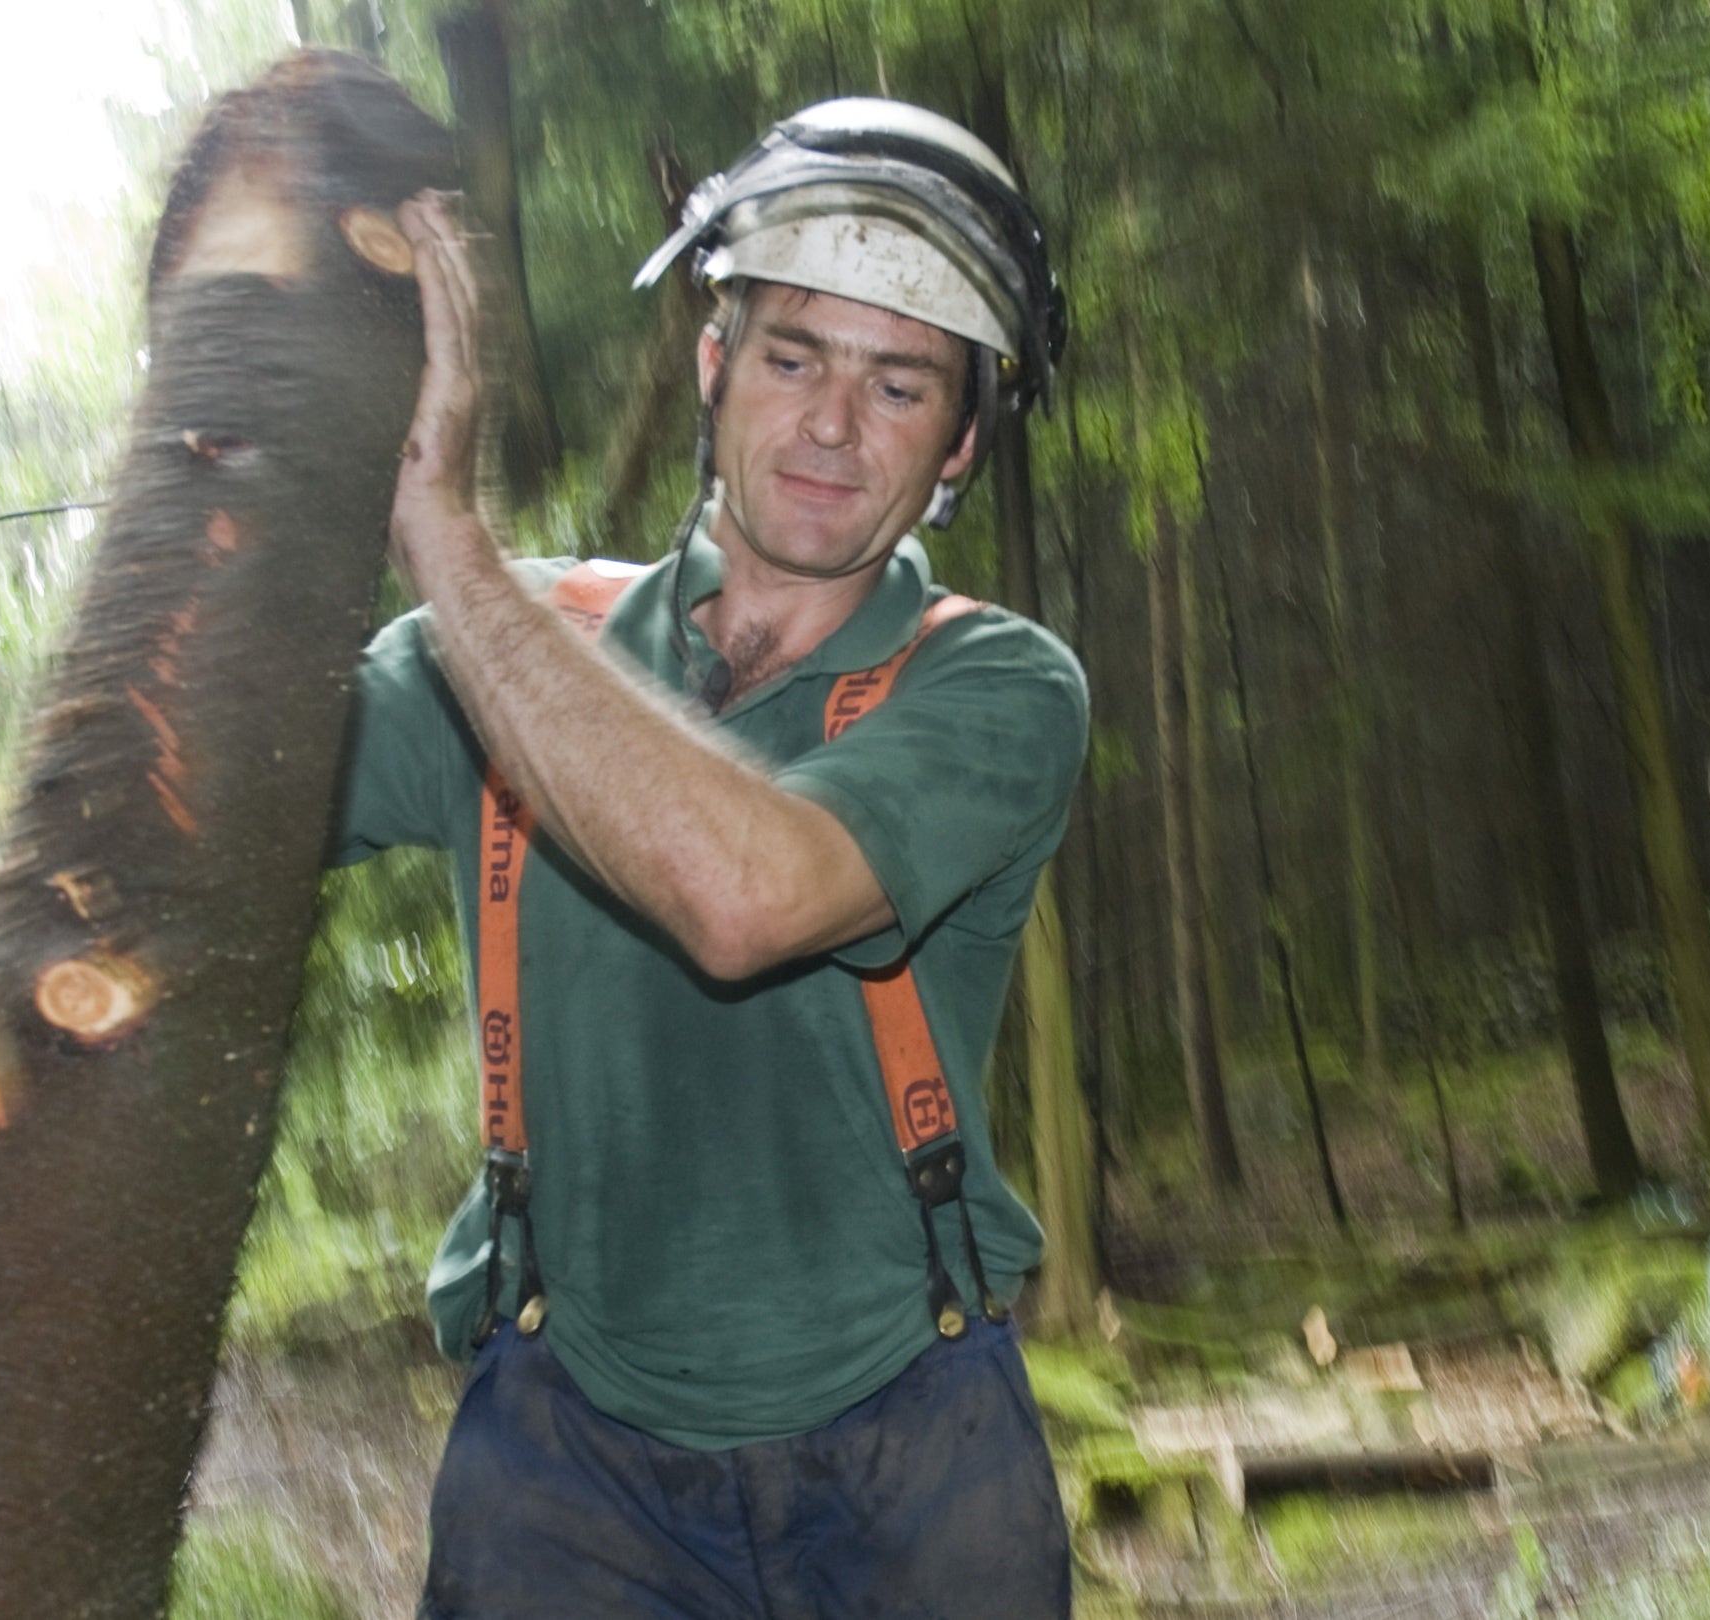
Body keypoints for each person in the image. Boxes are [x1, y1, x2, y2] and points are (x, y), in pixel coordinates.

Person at [332, 98, 1084, 1619]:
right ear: (713, 362)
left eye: (900, 384)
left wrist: (445, 543)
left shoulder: (999, 688)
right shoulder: (509, 634)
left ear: (960, 443)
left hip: (916, 1456)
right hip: (564, 1465)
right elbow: (201, 801)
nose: (830, 423)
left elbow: (749, 896)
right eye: (795, 355)